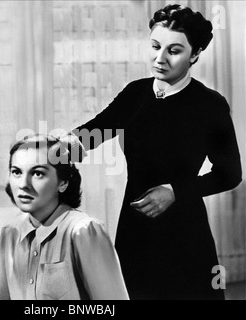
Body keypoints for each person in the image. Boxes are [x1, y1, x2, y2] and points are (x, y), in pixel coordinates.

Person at [70, 4, 242, 300]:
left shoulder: (210, 105)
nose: (159, 58)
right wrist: (63, 145)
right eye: (154, 46)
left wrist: (175, 191)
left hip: (185, 229)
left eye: (174, 51)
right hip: (135, 227)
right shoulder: (135, 93)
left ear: (196, 54)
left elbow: (230, 174)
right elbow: (97, 130)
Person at [0, 134, 129, 300]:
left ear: (63, 183)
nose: (23, 184)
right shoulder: (10, 233)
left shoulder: (84, 232)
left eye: (38, 173)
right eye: (16, 172)